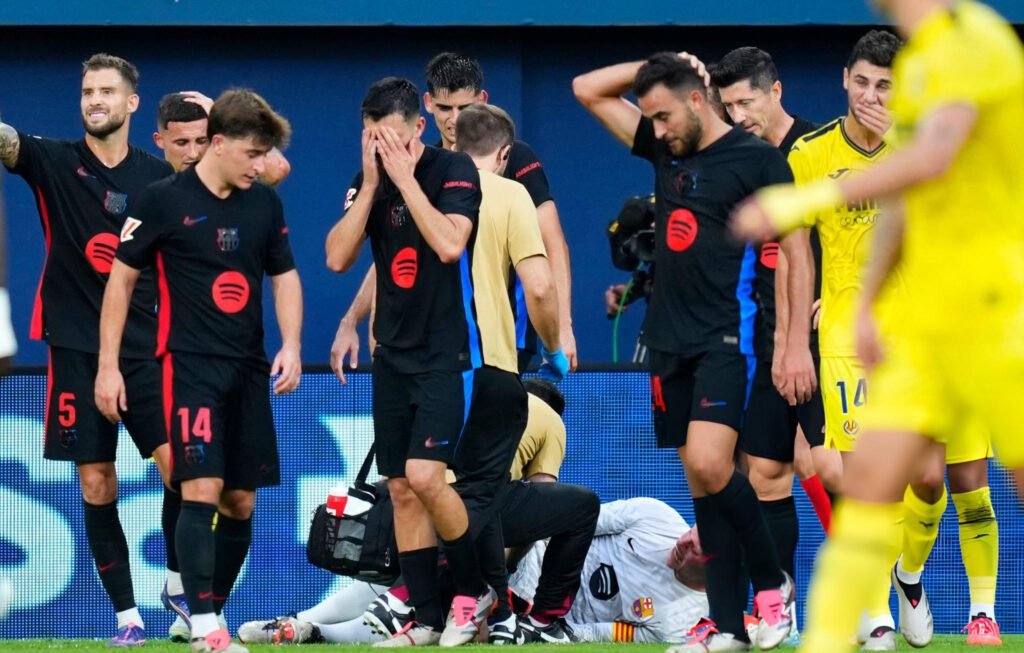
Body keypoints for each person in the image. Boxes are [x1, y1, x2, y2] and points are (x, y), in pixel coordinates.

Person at [730, 1, 1024, 650]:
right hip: (872, 339)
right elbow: (886, 217)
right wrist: (854, 312)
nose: (871, 95)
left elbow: (935, 160)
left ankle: (915, 577)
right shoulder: (817, 148)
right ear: (843, 80)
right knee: (866, 484)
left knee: (949, 482)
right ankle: (859, 623)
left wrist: (812, 195)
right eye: (861, 81)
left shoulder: (974, 48)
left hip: (983, 316)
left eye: (883, 83)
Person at [573, 52, 794, 651]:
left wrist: (795, 342)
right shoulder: (666, 149)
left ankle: (774, 590)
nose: (659, 129)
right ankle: (727, 629)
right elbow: (587, 87)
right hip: (668, 345)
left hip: (730, 337)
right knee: (704, 490)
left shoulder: (758, 160)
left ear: (698, 99)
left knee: (710, 462)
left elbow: (795, 248)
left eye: (665, 115)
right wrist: (654, 65)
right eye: (652, 119)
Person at [95, 89, 301, 653]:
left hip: (249, 368)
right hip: (186, 367)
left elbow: (284, 276)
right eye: (252, 153)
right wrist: (108, 367)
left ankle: (204, 616)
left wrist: (291, 342)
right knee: (200, 487)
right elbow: (121, 280)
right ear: (218, 143)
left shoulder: (264, 204)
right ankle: (209, 627)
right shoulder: (162, 200)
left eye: (264, 155)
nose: (260, 166)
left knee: (241, 501)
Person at [0, 53, 174, 646]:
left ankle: (180, 584)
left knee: (183, 470)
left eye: (106, 91)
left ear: (130, 103)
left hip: (146, 349)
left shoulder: (159, 177)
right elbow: (7, 142)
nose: (94, 99)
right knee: (97, 482)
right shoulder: (54, 161)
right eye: (87, 91)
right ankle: (127, 618)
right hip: (74, 345)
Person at [237, 378, 597, 647]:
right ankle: (545, 622)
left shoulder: (468, 391)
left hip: (402, 501)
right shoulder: (549, 416)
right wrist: (502, 569)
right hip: (463, 507)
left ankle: (300, 623)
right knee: (580, 507)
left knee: (407, 573)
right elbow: (541, 495)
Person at [325, 77, 491, 648]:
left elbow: (449, 244)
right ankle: (425, 618)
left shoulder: (455, 171)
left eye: (392, 138)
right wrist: (373, 184)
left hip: (448, 351)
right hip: (390, 355)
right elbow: (338, 257)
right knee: (399, 487)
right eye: (372, 138)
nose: (383, 149)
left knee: (426, 476)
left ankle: (473, 592)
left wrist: (402, 179)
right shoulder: (367, 181)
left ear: (419, 126)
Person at [330, 52, 575, 378]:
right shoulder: (414, 165)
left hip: (504, 338)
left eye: (465, 107)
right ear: (428, 104)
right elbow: (393, 251)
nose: (455, 118)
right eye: (445, 108)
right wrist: (351, 319)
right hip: (438, 341)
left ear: (483, 99)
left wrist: (563, 326)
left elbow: (552, 241)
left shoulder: (513, 158)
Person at [710, 47, 828, 617]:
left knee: (825, 467)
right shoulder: (738, 160)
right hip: (758, 338)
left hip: (820, 337)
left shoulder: (815, 151)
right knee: (766, 472)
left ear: (776, 90)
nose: (738, 116)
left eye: (746, 102)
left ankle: (871, 602)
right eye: (727, 105)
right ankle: (774, 608)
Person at [511, 497, 708, 645]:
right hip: (536, 563)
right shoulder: (656, 516)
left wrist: (554, 632)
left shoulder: (680, 622)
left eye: (693, 549)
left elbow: (596, 634)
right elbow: (574, 524)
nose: (682, 542)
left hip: (560, 623)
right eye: (690, 532)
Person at [154, 91, 292, 183]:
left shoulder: (230, 182)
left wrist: (225, 123)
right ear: (159, 140)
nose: (193, 153)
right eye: (182, 143)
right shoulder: (149, 188)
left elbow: (278, 169)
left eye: (202, 141)